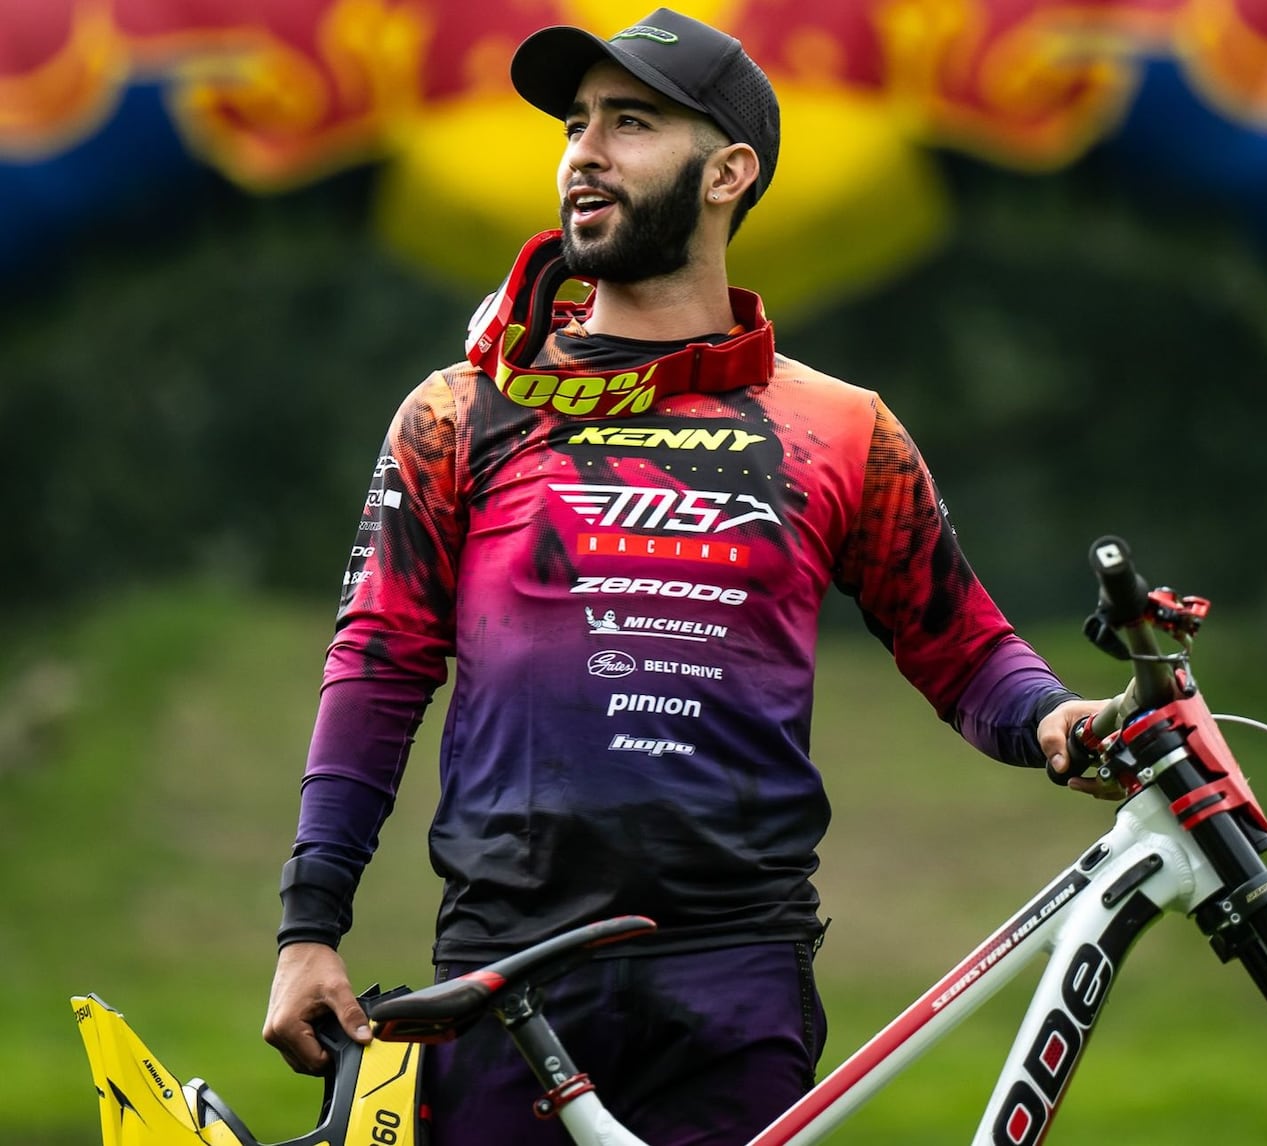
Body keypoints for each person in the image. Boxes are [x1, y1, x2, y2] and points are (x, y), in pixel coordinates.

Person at [262, 8, 1105, 1143]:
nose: (583, 152)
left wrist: (1053, 724)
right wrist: (309, 927)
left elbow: (959, 646)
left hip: (736, 980)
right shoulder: (459, 412)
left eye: (631, 123)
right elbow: (377, 664)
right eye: (574, 124)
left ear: (728, 171)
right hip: (504, 977)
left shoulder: (839, 427)